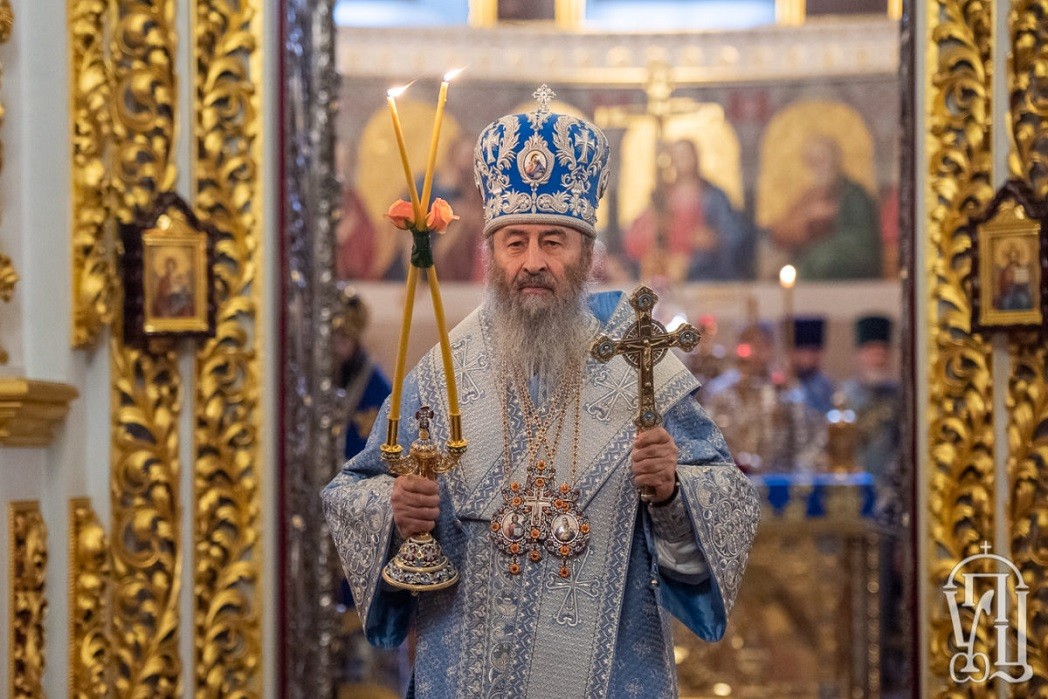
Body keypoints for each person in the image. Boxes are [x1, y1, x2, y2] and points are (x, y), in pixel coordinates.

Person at [322, 92, 759, 698]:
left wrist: (670, 492)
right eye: (515, 242)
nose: (533, 262)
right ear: (490, 254)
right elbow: (353, 493)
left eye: (553, 242)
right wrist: (395, 512)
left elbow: (728, 502)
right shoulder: (441, 375)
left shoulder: (640, 366)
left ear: (587, 255)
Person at [703, 322, 825, 473]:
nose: (756, 353)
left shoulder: (785, 389)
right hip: (731, 473)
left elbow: (802, 436)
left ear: (771, 348)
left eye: (762, 345)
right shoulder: (720, 391)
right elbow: (708, 435)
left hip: (777, 474)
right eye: (751, 344)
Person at [625, 139, 748, 282]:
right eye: (678, 156)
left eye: (687, 154)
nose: (683, 160)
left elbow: (735, 234)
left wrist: (716, 239)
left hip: (704, 274)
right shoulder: (663, 196)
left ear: (697, 157)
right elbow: (639, 232)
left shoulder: (713, 196)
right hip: (669, 269)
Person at [769, 136, 882, 280]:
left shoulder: (853, 193)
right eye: (814, 160)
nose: (819, 165)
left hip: (852, 251)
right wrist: (807, 217)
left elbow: (860, 234)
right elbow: (784, 229)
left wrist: (832, 214)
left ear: (835, 159)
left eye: (823, 158)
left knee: (819, 260)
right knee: (785, 267)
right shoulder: (810, 195)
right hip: (814, 251)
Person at [839, 314, 901, 515]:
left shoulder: (900, 397)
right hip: (853, 488)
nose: (877, 359)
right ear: (859, 355)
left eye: (882, 352)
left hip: (891, 488)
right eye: (871, 352)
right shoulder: (844, 396)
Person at [788, 316, 834, 415]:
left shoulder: (825, 385)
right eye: (803, 351)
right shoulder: (786, 383)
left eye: (813, 351)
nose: (808, 357)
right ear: (794, 353)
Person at [994, 243, 1034, 311]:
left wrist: (1021, 282)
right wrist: (1008, 281)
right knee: (1006, 302)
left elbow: (1026, 285)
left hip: (1020, 292)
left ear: (1017, 256)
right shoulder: (1005, 270)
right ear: (1009, 257)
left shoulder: (1021, 268)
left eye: (1015, 256)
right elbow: (1001, 285)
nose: (1013, 258)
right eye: (1011, 256)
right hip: (1008, 293)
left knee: (1024, 301)